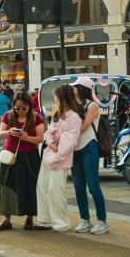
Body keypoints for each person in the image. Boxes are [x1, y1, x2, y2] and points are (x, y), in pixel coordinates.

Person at [35, 84, 82, 231]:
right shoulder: (57, 115)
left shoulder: (74, 117)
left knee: (55, 190)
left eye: (56, 97)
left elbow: (71, 139)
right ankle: (44, 219)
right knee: (42, 186)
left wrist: (58, 142)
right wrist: (53, 142)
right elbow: (49, 132)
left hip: (60, 158)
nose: (55, 99)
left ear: (63, 98)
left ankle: (60, 222)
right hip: (51, 154)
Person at [0, 94, 45, 231]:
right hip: (10, 156)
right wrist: (10, 132)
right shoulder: (8, 115)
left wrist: (27, 137)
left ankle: (30, 217)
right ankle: (6, 219)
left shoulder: (36, 118)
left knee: (30, 186)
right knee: (6, 185)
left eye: (24, 108)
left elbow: (40, 138)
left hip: (29, 156)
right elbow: (0, 133)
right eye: (17, 108)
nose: (21, 111)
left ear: (29, 106)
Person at [70, 77, 108, 235]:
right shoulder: (73, 105)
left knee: (93, 186)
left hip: (88, 147)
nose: (73, 89)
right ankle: (84, 219)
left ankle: (102, 221)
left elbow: (84, 127)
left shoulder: (92, 105)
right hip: (75, 149)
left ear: (81, 88)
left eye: (75, 87)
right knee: (78, 187)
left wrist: (65, 134)